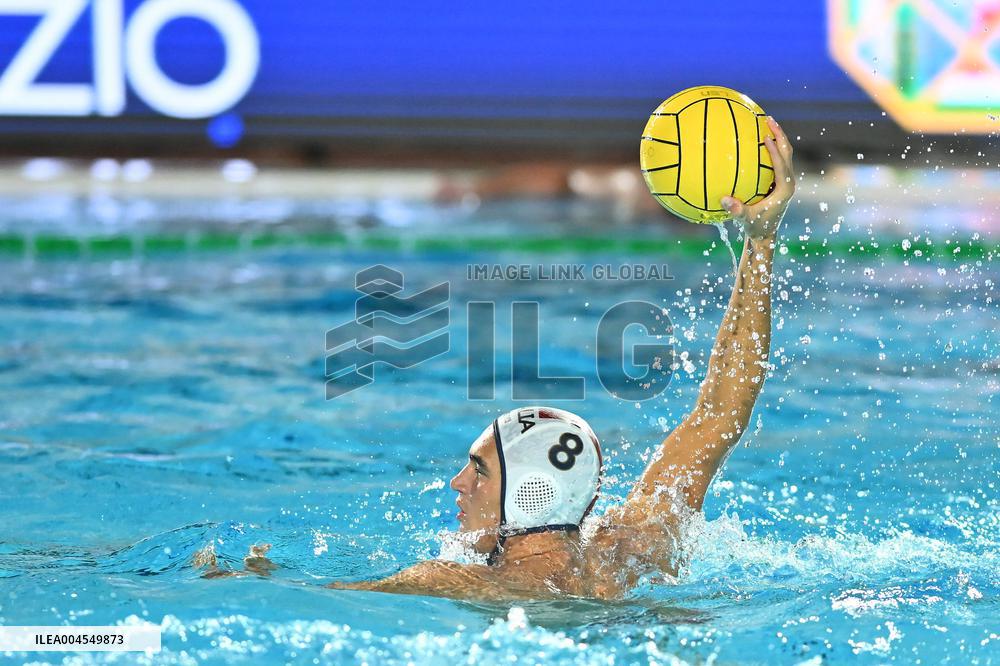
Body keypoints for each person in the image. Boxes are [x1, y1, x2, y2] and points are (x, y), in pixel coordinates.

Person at [198, 117, 796, 602]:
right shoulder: (639, 546)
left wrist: (243, 582)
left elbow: (321, 597)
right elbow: (722, 410)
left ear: (530, 494)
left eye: (479, 470)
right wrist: (763, 239)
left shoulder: (469, 582)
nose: (457, 484)